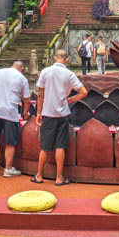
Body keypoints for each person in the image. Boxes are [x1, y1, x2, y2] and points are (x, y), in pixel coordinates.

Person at [33, 50, 87, 186]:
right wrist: (70, 99)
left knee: (44, 147)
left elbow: (40, 94)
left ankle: (39, 175)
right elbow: (84, 92)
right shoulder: (69, 74)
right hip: (63, 113)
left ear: (55, 57)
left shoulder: (45, 72)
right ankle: (59, 177)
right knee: (60, 146)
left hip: (47, 112)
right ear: (67, 60)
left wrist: (39, 113)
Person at [0, 60, 31, 177]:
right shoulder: (22, 78)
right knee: (10, 142)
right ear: (22, 69)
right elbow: (26, 98)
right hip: (10, 112)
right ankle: (8, 169)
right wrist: (25, 112)